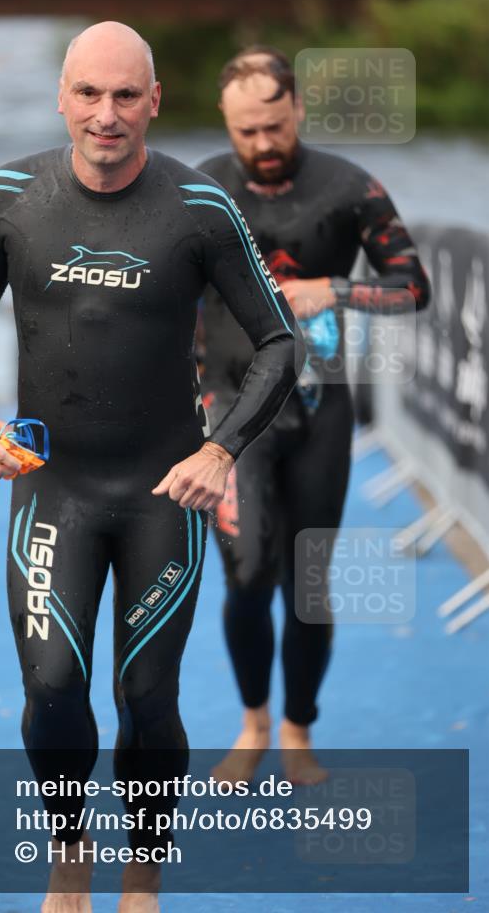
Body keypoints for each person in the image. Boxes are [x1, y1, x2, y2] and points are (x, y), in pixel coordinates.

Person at [0, 23, 303, 913]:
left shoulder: (199, 209)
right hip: (52, 490)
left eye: (126, 96)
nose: (107, 114)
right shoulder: (10, 196)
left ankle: (143, 868)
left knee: (146, 697)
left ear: (154, 102)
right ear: (62, 98)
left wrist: (220, 450)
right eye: (89, 94)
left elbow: (277, 342)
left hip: (160, 496)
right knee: (52, 690)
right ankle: (71, 846)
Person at [197, 46, 430, 787]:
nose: (262, 144)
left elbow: (413, 286)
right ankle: (253, 723)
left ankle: (298, 728)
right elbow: (158, 297)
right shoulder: (199, 189)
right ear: (226, 123)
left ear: (296, 108)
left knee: (307, 582)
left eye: (275, 126)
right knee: (246, 576)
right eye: (246, 132)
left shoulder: (349, 187)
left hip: (319, 408)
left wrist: (336, 288)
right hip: (231, 416)